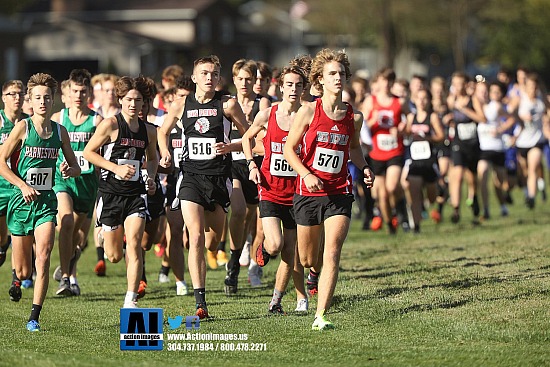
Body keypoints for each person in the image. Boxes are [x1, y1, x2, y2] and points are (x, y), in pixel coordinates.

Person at [283, 49, 374, 330]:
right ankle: (313, 272)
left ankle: (320, 315)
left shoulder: (353, 117)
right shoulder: (309, 111)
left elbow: (355, 148)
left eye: (341, 74)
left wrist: (366, 167)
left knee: (333, 251)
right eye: (332, 74)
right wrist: (307, 173)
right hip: (308, 192)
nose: (338, 78)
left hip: (339, 191)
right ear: (320, 79)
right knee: (310, 257)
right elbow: (289, 149)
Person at [158, 55, 248, 318]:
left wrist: (230, 146)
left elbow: (251, 135)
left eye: (214, 74)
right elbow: (163, 132)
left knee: (211, 241)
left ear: (219, 79)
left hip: (219, 179)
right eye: (204, 73)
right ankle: (201, 302)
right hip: (191, 177)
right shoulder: (180, 104)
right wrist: (164, 152)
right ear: (195, 77)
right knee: (195, 236)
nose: (209, 78)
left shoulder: (228, 105)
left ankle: (214, 252)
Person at [0, 73, 81, 331]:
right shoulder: (22, 128)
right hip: (21, 202)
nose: (43, 102)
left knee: (44, 255)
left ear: (54, 99)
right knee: (23, 271)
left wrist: (70, 170)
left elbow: (76, 167)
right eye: (38, 98)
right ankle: (18, 279)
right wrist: (22, 185)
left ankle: (34, 317)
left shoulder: (60, 131)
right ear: (30, 102)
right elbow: (1, 163)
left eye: (47, 97)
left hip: (46, 202)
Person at [83, 76, 158, 308]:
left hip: (136, 194)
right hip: (110, 194)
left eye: (138, 100)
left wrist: (152, 178)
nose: (134, 104)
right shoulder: (110, 125)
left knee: (134, 243)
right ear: (121, 100)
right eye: (129, 100)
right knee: (114, 255)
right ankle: (107, 234)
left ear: (144, 103)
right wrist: (115, 167)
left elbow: (152, 158)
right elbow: (89, 152)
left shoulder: (149, 131)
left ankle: (130, 299)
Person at [242, 63, 309, 313]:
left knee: (291, 253)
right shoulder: (268, 114)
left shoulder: (308, 116)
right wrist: (251, 165)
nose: (293, 89)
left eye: (298, 85)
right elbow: (247, 138)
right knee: (275, 245)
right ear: (281, 87)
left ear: (304, 88)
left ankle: (276, 301)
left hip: (297, 193)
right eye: (289, 85)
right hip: (270, 189)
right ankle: (263, 249)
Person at [51, 69, 102, 297]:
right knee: (66, 222)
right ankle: (66, 279)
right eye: (75, 91)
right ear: (68, 92)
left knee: (78, 236)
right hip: (63, 182)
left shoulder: (96, 120)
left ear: (88, 93)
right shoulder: (58, 119)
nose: (78, 95)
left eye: (83, 91)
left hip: (87, 183)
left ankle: (70, 268)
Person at [223, 59, 270, 295]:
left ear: (255, 81)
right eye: (240, 79)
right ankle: (233, 267)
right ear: (234, 80)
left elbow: (260, 141)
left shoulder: (262, 104)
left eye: (249, 79)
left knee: (253, 219)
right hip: (233, 166)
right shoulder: (227, 104)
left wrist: (239, 144)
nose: (244, 83)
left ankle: (251, 259)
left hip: (257, 164)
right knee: (239, 211)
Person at [361, 67, 405, 234]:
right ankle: (389, 223)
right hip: (376, 153)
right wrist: (373, 121)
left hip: (395, 150)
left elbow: (410, 118)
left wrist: (401, 128)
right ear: (378, 81)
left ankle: (400, 209)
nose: (386, 84)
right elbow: (361, 125)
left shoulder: (399, 101)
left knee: (392, 186)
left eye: (389, 81)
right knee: (382, 194)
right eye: (383, 80)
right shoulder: (370, 101)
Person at [403, 89, 444, 232]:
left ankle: (431, 200)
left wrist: (427, 138)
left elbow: (441, 136)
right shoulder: (411, 117)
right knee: (413, 193)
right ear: (414, 100)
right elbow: (406, 134)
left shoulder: (432, 117)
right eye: (419, 98)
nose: (421, 101)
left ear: (429, 100)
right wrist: (403, 131)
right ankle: (416, 225)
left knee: (432, 196)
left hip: (429, 160)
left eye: (424, 98)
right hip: (415, 160)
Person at [447, 72, 485, 223]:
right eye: (454, 84)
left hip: (473, 144)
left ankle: (474, 197)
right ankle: (456, 209)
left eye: (459, 83)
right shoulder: (451, 100)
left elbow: (482, 118)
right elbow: (446, 112)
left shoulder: (472, 99)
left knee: (472, 178)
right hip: (458, 143)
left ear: (465, 84)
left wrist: (464, 110)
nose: (457, 87)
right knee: (458, 174)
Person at [477, 81, 516, 218]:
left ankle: (503, 205)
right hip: (484, 148)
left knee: (499, 182)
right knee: (482, 174)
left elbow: (511, 119)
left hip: (497, 147)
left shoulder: (496, 106)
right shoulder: (480, 106)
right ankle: (486, 210)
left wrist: (500, 129)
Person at [0, 80, 27, 268]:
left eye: (20, 93)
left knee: (23, 231)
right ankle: (3, 246)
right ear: (3, 98)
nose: (17, 97)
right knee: (2, 236)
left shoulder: (29, 122)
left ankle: (17, 277)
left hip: (22, 185)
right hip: (1, 185)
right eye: (12, 94)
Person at [516, 73, 549, 209]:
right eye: (530, 87)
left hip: (537, 140)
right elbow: (511, 113)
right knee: (524, 170)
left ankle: (531, 196)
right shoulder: (520, 99)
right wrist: (522, 117)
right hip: (522, 141)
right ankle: (530, 191)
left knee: (533, 167)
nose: (533, 90)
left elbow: (547, 112)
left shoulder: (542, 101)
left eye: (535, 87)